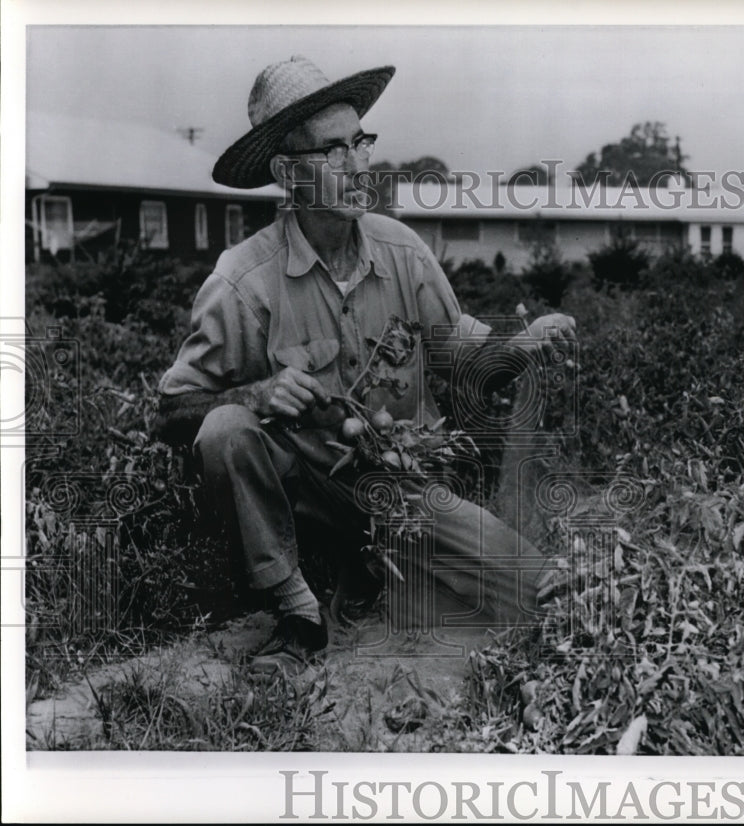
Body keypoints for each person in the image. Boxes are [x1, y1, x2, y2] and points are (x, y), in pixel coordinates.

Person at [155, 56, 576, 675]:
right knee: (224, 430)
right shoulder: (242, 281)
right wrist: (255, 394)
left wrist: (523, 344)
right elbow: (169, 412)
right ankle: (296, 611)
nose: (359, 165)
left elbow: (461, 354)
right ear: (288, 172)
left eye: (361, 142)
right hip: (303, 495)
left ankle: (375, 576)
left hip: (401, 486)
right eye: (333, 151)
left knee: (541, 592)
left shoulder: (402, 251)